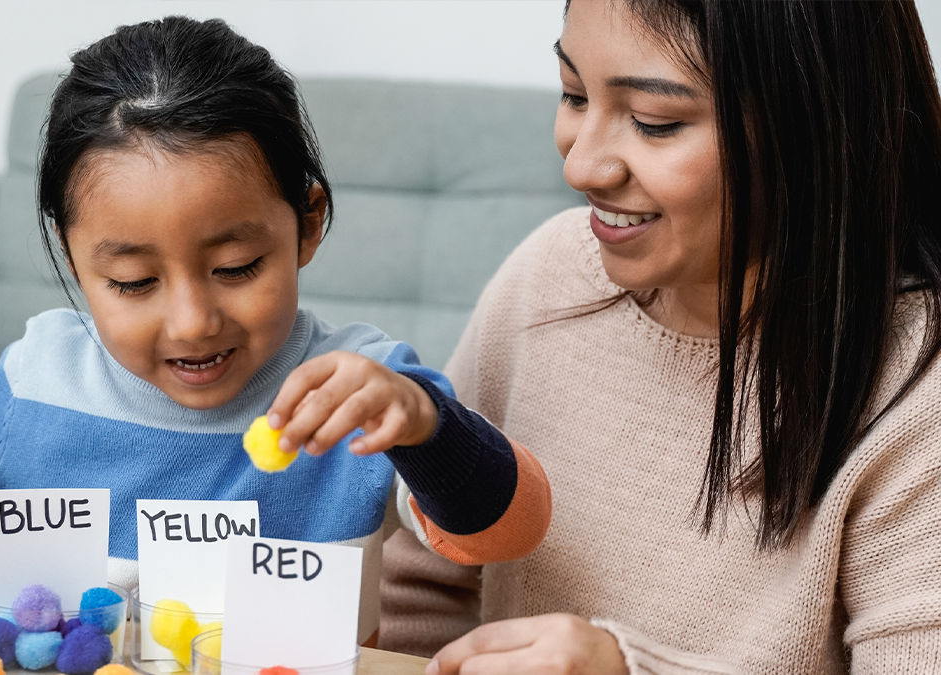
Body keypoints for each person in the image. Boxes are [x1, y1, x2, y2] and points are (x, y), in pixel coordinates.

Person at [0, 16, 551, 646]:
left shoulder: (358, 390)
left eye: (236, 266)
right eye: (134, 282)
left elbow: (508, 533)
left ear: (307, 223)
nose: (193, 322)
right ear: (75, 259)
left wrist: (423, 424)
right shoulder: (38, 378)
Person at [379, 0, 941, 672]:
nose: (582, 167)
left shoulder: (917, 380)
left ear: (816, 127)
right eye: (574, 94)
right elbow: (423, 584)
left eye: (655, 123)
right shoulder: (548, 274)